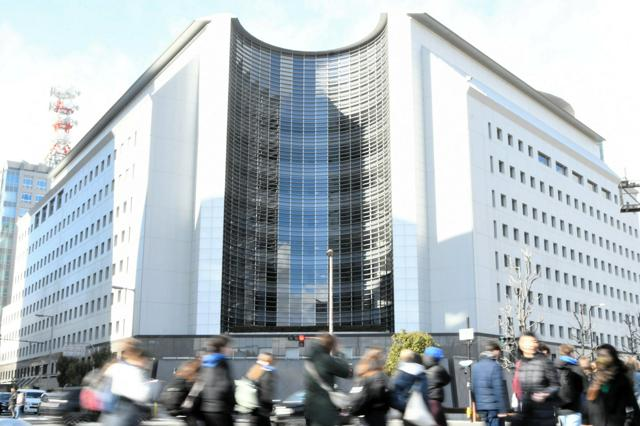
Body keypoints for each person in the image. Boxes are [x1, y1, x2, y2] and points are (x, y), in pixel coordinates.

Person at [583, 344, 640, 426]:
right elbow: (591, 402)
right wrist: (586, 420)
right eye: (599, 355)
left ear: (612, 357)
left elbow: (631, 404)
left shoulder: (620, 378)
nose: (601, 359)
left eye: (604, 355)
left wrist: (628, 422)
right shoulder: (597, 377)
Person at [100, 338, 152, 426]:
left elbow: (104, 387)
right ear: (137, 353)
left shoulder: (114, 366)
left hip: (109, 412)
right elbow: (143, 395)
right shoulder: (135, 371)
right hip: (126, 413)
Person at [511, 332, 559, 426]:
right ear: (521, 345)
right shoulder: (521, 363)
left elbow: (556, 385)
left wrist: (545, 393)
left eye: (534, 341)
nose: (531, 344)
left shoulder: (544, 361)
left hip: (543, 413)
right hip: (526, 412)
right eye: (527, 342)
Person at [304, 333, 351, 426]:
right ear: (331, 345)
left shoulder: (310, 360)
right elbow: (348, 372)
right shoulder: (326, 360)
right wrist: (339, 353)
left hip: (310, 407)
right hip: (324, 409)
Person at [199, 335, 235, 426]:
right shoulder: (221, 362)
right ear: (222, 348)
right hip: (221, 409)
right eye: (229, 346)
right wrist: (232, 404)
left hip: (206, 408)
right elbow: (225, 386)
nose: (231, 349)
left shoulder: (205, 362)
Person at [349, 348, 390, 426]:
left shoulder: (361, 374)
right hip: (375, 414)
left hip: (362, 413)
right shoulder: (378, 375)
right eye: (381, 357)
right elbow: (379, 394)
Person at [471, 342, 508, 426]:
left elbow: (473, 388)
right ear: (494, 351)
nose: (499, 355)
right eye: (499, 351)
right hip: (494, 408)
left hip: (482, 407)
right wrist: (502, 409)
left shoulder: (476, 366)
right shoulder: (495, 366)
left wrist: (477, 406)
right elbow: (498, 389)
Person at [390, 349, 429, 424]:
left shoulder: (401, 373)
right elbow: (424, 392)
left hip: (406, 410)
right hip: (418, 409)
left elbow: (394, 391)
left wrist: (402, 406)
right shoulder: (420, 372)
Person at [160, 358, 201, 425]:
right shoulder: (190, 382)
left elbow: (163, 398)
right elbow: (191, 401)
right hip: (184, 415)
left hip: (169, 414)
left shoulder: (173, 381)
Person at [554, 344, 584, 426]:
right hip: (574, 408)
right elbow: (581, 388)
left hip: (558, 407)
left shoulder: (554, 366)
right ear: (571, 353)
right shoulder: (576, 367)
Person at [244, 352, 277, 426]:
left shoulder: (254, 370)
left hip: (253, 407)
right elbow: (266, 393)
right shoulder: (267, 372)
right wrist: (270, 406)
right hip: (263, 409)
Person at [423, 346, 450, 426]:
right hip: (435, 402)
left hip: (424, 401)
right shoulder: (439, 369)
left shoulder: (423, 370)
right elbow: (447, 379)